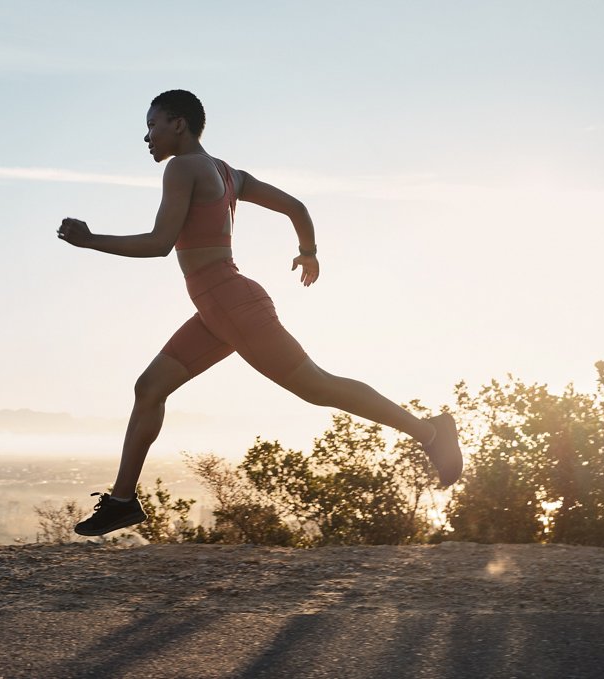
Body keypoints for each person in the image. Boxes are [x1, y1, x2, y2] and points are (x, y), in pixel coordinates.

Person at [58, 89, 463, 537]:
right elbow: (297, 208)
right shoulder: (228, 173)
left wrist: (89, 240)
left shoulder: (182, 167)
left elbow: (159, 244)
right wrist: (308, 252)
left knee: (318, 385)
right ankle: (121, 502)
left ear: (178, 124)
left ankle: (430, 432)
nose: (147, 136)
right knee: (150, 387)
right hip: (219, 308)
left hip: (230, 305)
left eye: (152, 125)